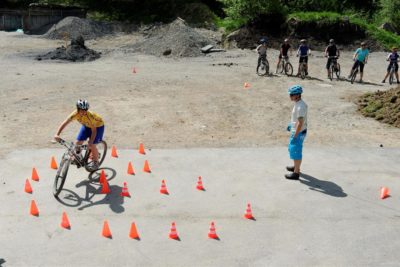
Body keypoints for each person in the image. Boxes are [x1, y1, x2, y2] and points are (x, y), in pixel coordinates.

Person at [54, 99, 105, 171]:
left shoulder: (90, 116)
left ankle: (96, 161)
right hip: (86, 126)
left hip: (98, 127)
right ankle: (79, 158)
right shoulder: (75, 114)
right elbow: (65, 123)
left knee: (92, 144)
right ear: (78, 109)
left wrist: (91, 142)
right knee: (77, 143)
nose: (84, 112)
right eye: (82, 110)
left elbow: (94, 131)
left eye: (85, 110)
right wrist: (57, 134)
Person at [286, 85, 308, 180]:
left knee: (296, 151)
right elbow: (297, 120)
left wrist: (295, 135)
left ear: (297, 95)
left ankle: (296, 173)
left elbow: (300, 123)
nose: (290, 96)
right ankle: (296, 167)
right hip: (297, 131)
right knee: (294, 151)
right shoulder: (298, 103)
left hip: (299, 133)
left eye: (292, 94)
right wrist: (291, 125)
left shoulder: (300, 107)